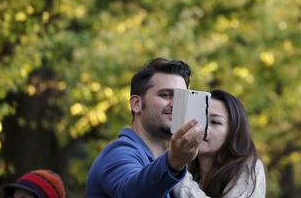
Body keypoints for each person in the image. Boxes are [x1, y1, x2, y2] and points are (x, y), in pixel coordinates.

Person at [86, 58, 205, 198]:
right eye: (165, 95)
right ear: (136, 104)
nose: (176, 105)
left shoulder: (166, 163)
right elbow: (129, 193)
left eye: (181, 98)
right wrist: (173, 163)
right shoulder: (118, 153)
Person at [173, 90, 266, 198]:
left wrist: (178, 172)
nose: (202, 128)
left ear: (233, 132)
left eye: (215, 122)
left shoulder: (249, 168)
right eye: (199, 120)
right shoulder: (184, 164)